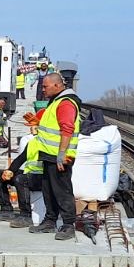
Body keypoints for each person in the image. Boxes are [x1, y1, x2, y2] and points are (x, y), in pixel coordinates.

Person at [30, 72, 81, 240]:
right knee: (49, 190)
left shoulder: (66, 103)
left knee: (62, 190)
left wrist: (61, 154)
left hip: (59, 157)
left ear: (57, 86)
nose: (43, 89)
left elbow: (67, 129)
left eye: (45, 86)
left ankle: (68, 225)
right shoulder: (55, 102)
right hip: (48, 155)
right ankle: (50, 221)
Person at [0, 137, 43, 227]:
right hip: (31, 175)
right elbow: (21, 159)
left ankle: (26, 215)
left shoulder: (51, 144)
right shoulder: (34, 142)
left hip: (45, 179)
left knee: (21, 179)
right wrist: (9, 171)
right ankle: (6, 209)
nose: (32, 128)